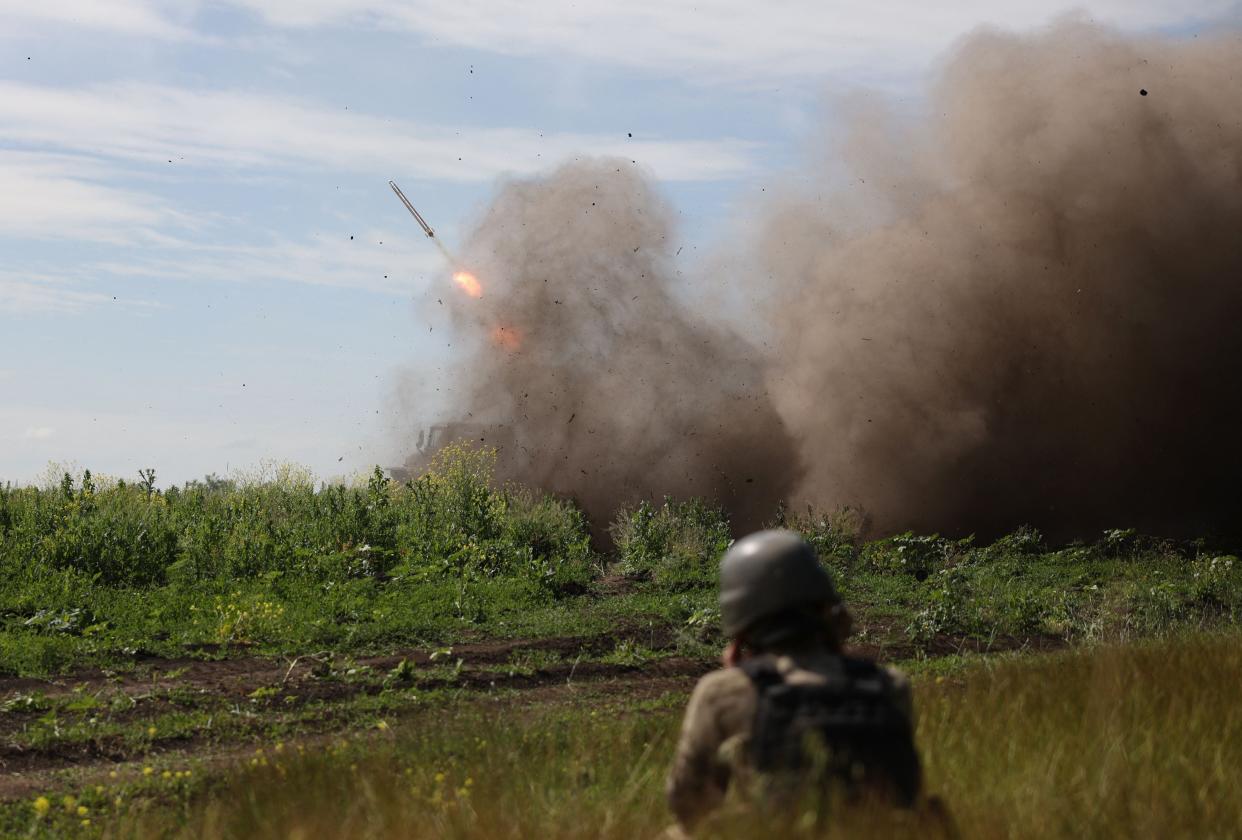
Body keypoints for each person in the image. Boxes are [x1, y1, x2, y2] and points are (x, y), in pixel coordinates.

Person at [665, 529, 921, 835]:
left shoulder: (722, 693)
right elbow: (908, 795)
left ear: (742, 620)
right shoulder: (888, 685)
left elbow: (688, 804)